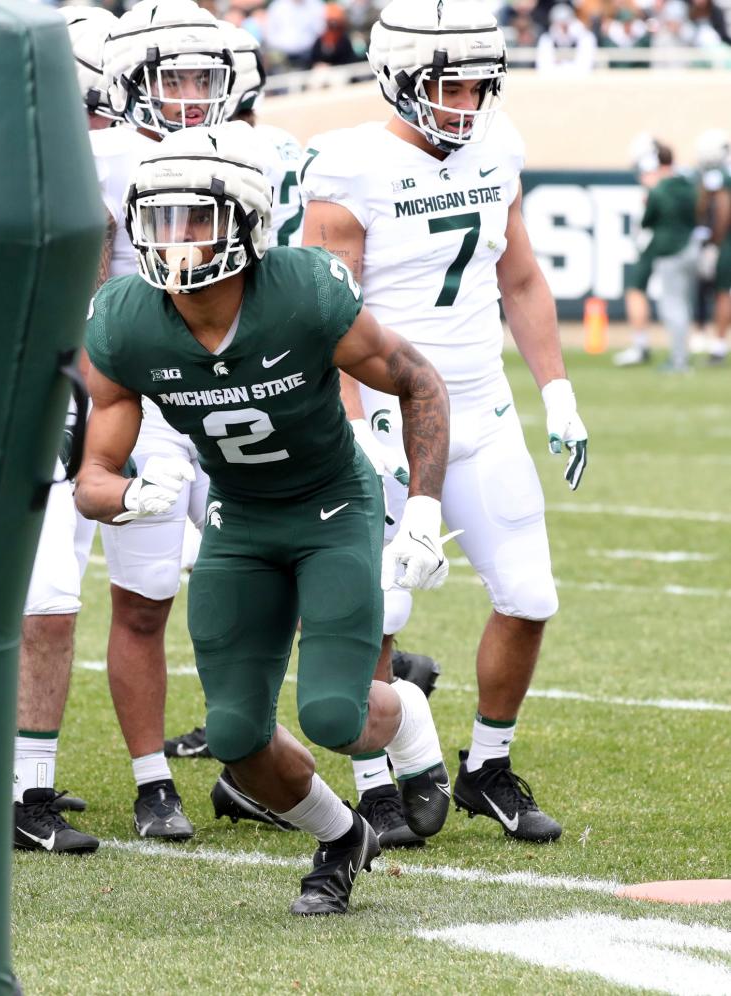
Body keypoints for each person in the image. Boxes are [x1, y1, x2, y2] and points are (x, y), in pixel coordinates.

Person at [77, 123, 454, 915]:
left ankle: (409, 715)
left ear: (246, 222)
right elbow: (92, 480)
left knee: (332, 715)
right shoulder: (122, 319)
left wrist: (420, 507)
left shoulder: (303, 292)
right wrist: (133, 498)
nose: (174, 242)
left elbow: (420, 383)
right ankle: (342, 835)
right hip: (239, 521)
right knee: (238, 737)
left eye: (195, 220)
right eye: (160, 219)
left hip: (332, 507)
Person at [302, 0, 588, 845]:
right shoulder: (349, 167)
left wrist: (558, 392)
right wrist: (354, 426)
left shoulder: (499, 147)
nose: (467, 105)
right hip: (391, 417)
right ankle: (375, 779)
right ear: (398, 76)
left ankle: (487, 768)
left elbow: (523, 279)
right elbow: (329, 321)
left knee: (530, 596)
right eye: (449, 86)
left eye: (478, 87)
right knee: (377, 612)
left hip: (484, 407)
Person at [87, 0, 237, 841]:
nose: (188, 96)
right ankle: (153, 782)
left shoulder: (245, 151)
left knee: (243, 579)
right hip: (135, 393)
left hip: (231, 394)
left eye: (202, 79)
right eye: (171, 78)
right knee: (145, 597)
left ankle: (243, 753)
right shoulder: (97, 158)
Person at [9, 3, 114, 857]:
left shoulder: (90, 174)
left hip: (50, 395)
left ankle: (25, 784)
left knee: (50, 602)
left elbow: (100, 272)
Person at [614, 138, 698, 371]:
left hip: (670, 250)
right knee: (681, 304)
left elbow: (648, 218)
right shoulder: (688, 183)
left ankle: (678, 360)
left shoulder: (661, 189)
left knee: (672, 306)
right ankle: (680, 355)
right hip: (691, 246)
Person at [695, 129, 729, 364]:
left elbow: (722, 206)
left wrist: (714, 240)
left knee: (723, 293)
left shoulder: (720, 175)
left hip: (727, 241)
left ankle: (718, 344)